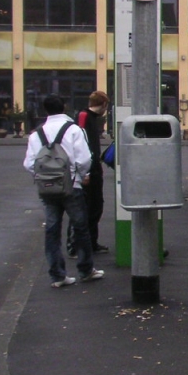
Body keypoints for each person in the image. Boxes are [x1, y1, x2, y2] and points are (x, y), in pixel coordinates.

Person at [24, 94, 104, 288]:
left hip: (47, 189)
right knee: (80, 227)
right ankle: (85, 270)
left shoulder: (37, 134)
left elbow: (29, 163)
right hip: (72, 186)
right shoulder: (74, 130)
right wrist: (79, 176)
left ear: (45, 110)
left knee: (52, 230)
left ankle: (57, 275)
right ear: (65, 107)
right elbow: (85, 158)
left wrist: (43, 177)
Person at [67, 91, 110, 254]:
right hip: (87, 169)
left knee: (96, 207)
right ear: (104, 104)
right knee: (84, 208)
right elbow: (81, 143)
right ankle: (74, 245)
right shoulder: (84, 116)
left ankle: (91, 242)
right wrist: (85, 172)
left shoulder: (90, 118)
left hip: (93, 168)